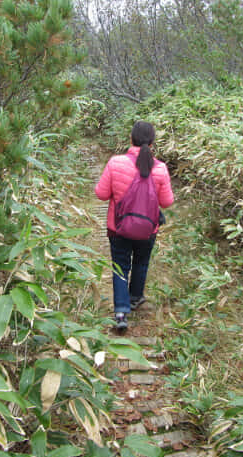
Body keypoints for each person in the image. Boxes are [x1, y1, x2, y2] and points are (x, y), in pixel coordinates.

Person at [95, 121, 174, 330]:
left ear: (131, 139)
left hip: (118, 228)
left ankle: (120, 312)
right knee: (141, 262)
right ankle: (136, 297)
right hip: (148, 230)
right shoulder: (160, 169)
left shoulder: (116, 163)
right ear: (153, 142)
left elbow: (101, 194)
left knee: (120, 265)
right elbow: (166, 202)